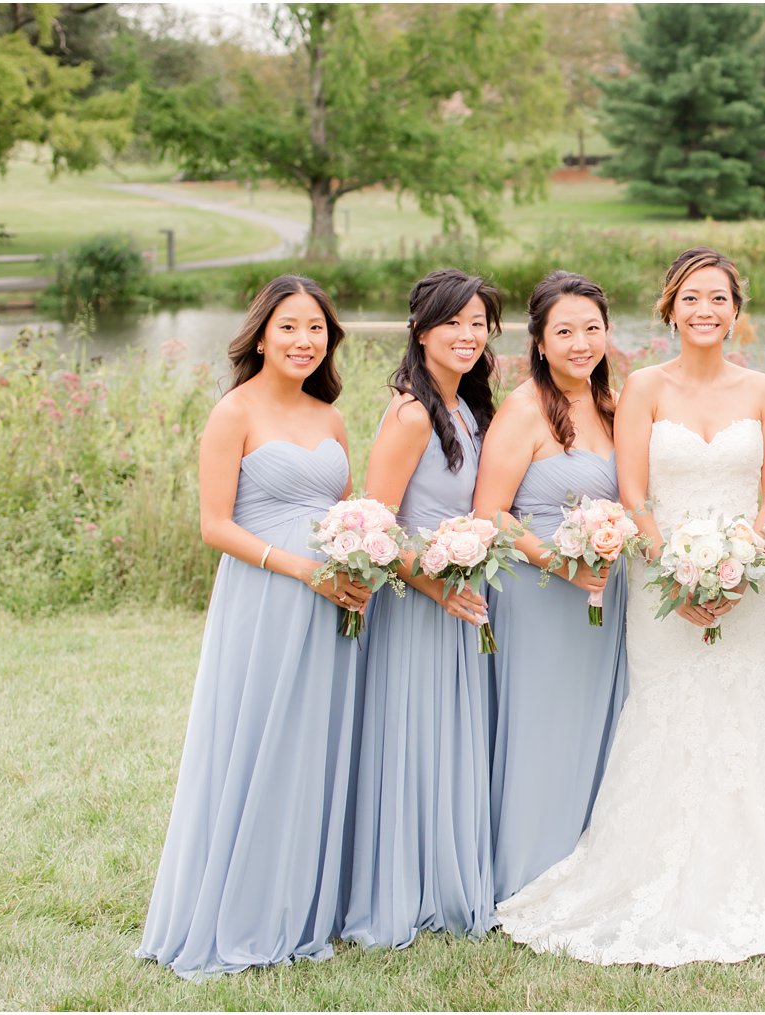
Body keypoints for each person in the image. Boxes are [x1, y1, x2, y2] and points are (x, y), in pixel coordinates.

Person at [495, 247, 765, 966]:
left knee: (748, 711)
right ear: (670, 307)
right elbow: (633, 492)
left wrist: (738, 571)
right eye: (692, 297)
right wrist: (678, 572)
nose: (706, 310)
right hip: (660, 581)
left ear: (737, 309)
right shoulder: (641, 387)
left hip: (752, 587)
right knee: (667, 714)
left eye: (719, 298)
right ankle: (642, 867)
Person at [137, 275, 370, 979]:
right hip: (266, 595)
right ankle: (238, 905)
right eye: (291, 327)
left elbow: (346, 507)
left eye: (317, 329)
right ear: (262, 333)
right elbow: (215, 524)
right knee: (258, 740)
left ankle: (303, 902)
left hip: (333, 595)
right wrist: (299, 568)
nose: (304, 341)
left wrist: (359, 555)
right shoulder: (232, 412)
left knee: (312, 744)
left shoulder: (330, 417)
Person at [341, 269, 500, 948]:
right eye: (452, 322)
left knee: (451, 738)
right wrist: (438, 583)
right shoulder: (411, 413)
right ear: (420, 329)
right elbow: (377, 526)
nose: (467, 335)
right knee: (414, 738)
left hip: (461, 594)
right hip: (418, 603)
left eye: (478, 323)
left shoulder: (468, 407)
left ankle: (448, 877)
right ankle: (405, 885)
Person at [474, 271, 628, 904]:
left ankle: (586, 860)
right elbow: (489, 512)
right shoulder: (523, 409)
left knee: (599, 723)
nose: (580, 343)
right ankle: (528, 870)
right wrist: (559, 562)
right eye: (564, 331)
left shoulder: (615, 408)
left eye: (592, 329)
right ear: (538, 342)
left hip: (603, 597)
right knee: (542, 725)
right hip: (538, 594)